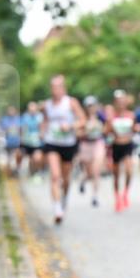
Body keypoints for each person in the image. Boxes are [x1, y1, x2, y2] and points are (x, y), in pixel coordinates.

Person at [40, 75, 86, 224]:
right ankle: (57, 209)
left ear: (63, 88)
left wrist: (71, 126)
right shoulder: (47, 105)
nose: (56, 90)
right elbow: (45, 121)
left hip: (68, 144)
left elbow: (83, 120)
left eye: (58, 87)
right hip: (51, 142)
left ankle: (64, 198)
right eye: (53, 87)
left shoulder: (71, 102)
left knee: (65, 178)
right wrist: (42, 131)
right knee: (55, 176)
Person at [106, 89, 136, 212]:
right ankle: (117, 197)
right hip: (116, 146)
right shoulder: (111, 116)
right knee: (116, 174)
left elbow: (135, 129)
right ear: (115, 102)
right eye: (118, 101)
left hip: (128, 145)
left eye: (123, 101)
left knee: (129, 170)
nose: (121, 103)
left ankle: (125, 193)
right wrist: (110, 125)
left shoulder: (131, 115)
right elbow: (106, 131)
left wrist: (137, 128)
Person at [77, 96, 107, 207]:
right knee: (89, 172)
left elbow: (107, 127)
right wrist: (86, 131)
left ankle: (95, 196)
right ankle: (83, 180)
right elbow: (77, 133)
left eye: (93, 105)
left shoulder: (101, 116)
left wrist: (102, 130)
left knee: (96, 171)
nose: (91, 108)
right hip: (86, 145)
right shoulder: (82, 118)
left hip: (98, 143)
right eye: (89, 106)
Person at [19, 101, 45, 179]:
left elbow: (42, 128)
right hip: (26, 142)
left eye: (33, 108)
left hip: (37, 143)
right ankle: (18, 170)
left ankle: (37, 172)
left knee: (37, 158)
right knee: (19, 155)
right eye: (30, 109)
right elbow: (21, 128)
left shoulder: (40, 117)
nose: (32, 110)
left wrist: (42, 133)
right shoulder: (25, 117)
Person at [0, 106, 22, 175]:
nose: (11, 112)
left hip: (17, 143)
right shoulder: (4, 120)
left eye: (12, 110)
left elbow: (21, 129)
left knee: (18, 155)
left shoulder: (19, 119)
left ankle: (17, 170)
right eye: (10, 110)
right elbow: (3, 130)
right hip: (7, 143)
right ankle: (9, 173)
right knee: (8, 159)